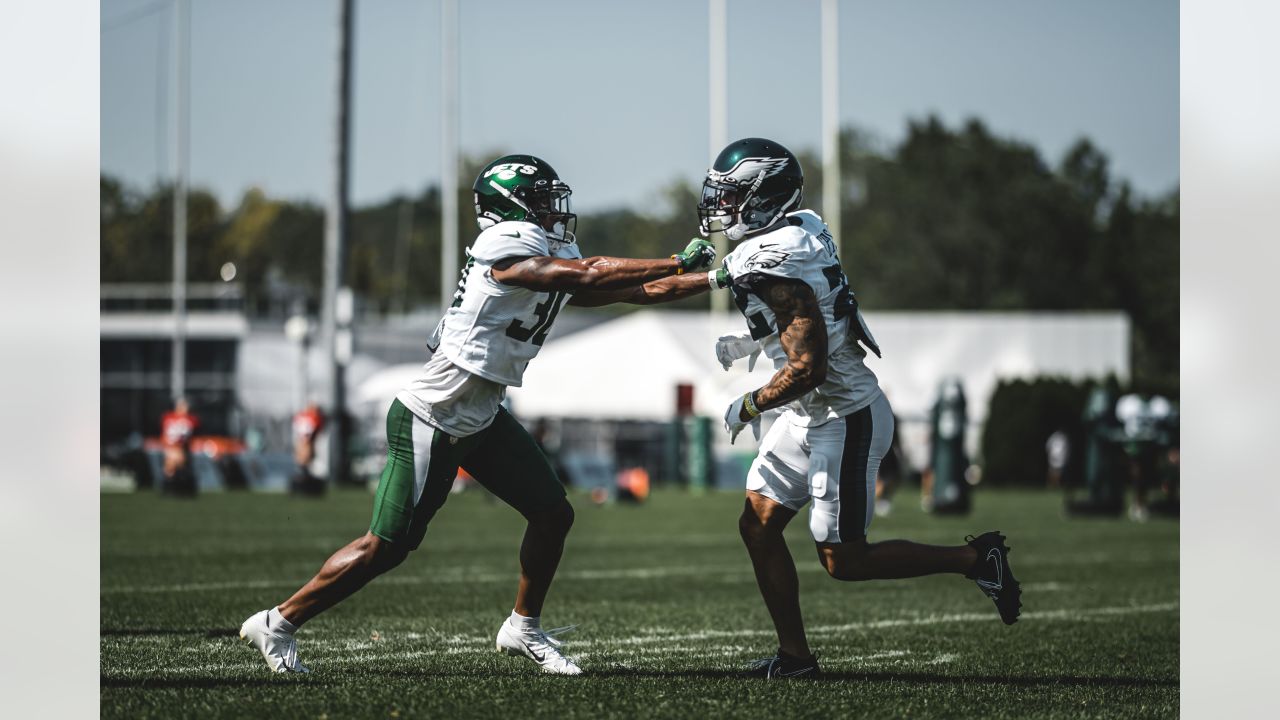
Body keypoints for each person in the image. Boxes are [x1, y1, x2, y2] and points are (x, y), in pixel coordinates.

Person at [239, 154, 725, 675]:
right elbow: (587, 274)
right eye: (540, 199)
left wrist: (719, 277)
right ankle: (277, 622)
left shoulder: (549, 251)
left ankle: (523, 626)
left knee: (552, 513)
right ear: (512, 205)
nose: (553, 210)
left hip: (483, 412)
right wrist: (675, 259)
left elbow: (629, 289)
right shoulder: (505, 244)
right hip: (434, 414)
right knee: (386, 547)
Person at [705, 138, 1022, 680]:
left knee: (843, 561)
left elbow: (809, 362)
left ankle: (975, 559)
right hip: (807, 414)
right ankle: (796, 658)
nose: (722, 207)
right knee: (757, 526)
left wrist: (750, 402)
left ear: (764, 197)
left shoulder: (780, 251)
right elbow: (794, 307)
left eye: (732, 196)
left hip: (844, 416)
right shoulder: (795, 227)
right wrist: (753, 339)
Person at [160, 397, 198, 496]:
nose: (185, 408)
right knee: (171, 467)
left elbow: (187, 435)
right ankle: (170, 488)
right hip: (172, 447)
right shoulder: (169, 417)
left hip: (180, 448)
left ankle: (178, 488)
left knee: (179, 467)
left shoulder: (190, 419)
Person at [290, 401, 326, 496]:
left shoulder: (302, 416)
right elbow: (308, 432)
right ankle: (304, 478)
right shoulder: (310, 417)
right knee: (304, 459)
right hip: (306, 440)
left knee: (305, 460)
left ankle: (304, 475)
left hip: (303, 440)